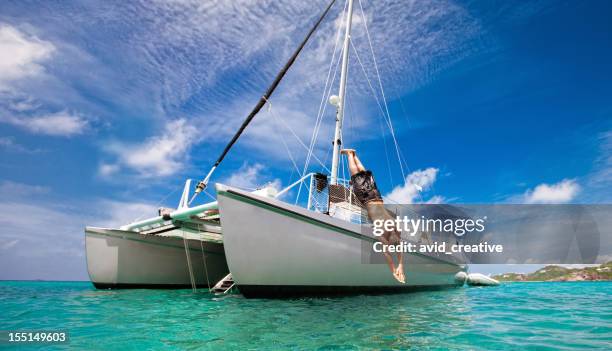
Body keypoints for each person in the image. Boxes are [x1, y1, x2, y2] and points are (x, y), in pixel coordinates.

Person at [341, 149, 405, 283]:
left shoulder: (395, 227)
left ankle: (354, 154)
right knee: (356, 175)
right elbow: (387, 254)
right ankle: (349, 155)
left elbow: (399, 251)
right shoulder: (382, 232)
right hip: (368, 199)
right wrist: (394, 270)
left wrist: (401, 267)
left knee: (365, 175)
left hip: (377, 196)